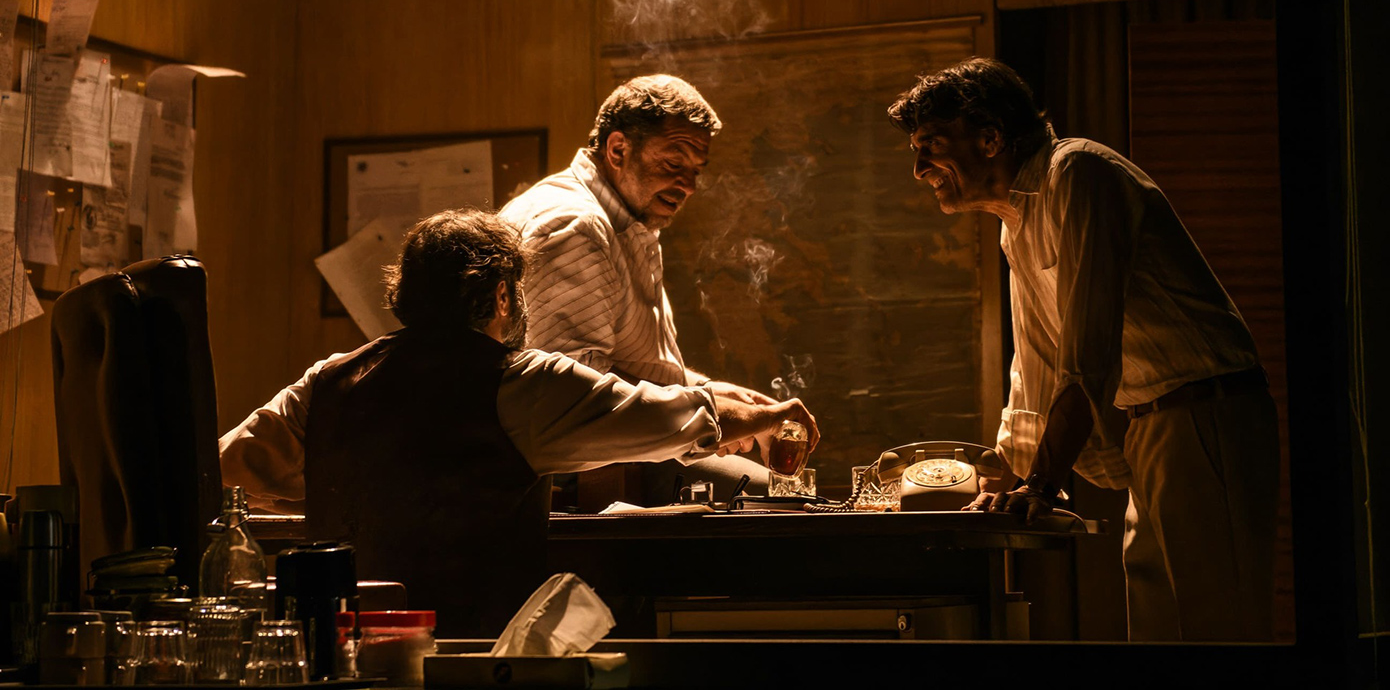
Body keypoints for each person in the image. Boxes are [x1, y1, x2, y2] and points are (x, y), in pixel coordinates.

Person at [219, 209, 817, 635]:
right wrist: (767, 414)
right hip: (473, 659)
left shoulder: (327, 382)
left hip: (341, 652)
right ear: (503, 294)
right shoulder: (521, 381)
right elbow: (669, 417)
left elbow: (225, 467)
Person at [886, 57, 1278, 642]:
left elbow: (1087, 354)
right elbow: (1034, 365)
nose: (919, 170)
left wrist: (1042, 484)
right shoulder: (1015, 220)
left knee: (1219, 627)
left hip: (1204, 412)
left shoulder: (1077, 174)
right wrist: (1004, 475)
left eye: (931, 147)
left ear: (990, 138)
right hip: (1150, 424)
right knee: (1158, 626)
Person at [500, 75, 780, 502]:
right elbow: (576, 393)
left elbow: (624, 363)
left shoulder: (622, 217)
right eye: (673, 163)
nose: (688, 185)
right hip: (583, 476)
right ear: (617, 150)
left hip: (628, 450)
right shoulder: (574, 225)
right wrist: (705, 407)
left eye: (695, 170)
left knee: (784, 500)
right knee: (777, 506)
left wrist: (705, 390)